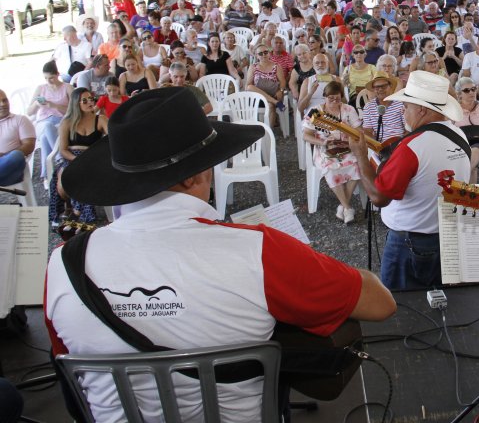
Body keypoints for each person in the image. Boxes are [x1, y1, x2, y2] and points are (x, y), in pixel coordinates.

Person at [44, 87, 396, 422]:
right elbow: (380, 303)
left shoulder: (63, 264)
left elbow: (66, 365)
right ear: (194, 174)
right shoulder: (259, 250)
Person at [351, 71, 471, 290]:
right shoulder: (459, 136)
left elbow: (378, 197)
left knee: (402, 307)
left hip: (409, 242)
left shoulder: (413, 146)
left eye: (406, 106)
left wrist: (360, 156)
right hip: (446, 236)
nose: (403, 112)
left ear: (422, 109)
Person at [302, 81, 362, 224]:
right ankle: (348, 207)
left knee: (357, 163)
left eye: (337, 98)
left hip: (346, 147)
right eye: (331, 98)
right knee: (330, 166)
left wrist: (349, 135)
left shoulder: (348, 109)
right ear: (325, 97)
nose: (334, 101)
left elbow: (359, 131)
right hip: (323, 147)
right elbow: (306, 135)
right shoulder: (315, 112)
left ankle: (343, 206)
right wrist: (323, 142)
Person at [47, 88, 108, 226]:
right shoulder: (67, 122)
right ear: (76, 104)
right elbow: (62, 150)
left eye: (91, 99)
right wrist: (77, 160)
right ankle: (73, 208)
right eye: (84, 101)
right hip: (71, 157)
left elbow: (113, 139)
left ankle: (77, 210)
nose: (89, 103)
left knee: (82, 174)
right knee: (65, 178)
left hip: (92, 157)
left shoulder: (100, 119)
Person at [29, 61, 72, 178]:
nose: (48, 81)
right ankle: (59, 157)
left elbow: (74, 110)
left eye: (51, 78)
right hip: (44, 121)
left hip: (61, 121)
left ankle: (46, 175)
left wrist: (54, 106)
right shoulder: (41, 88)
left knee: (44, 138)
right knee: (47, 127)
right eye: (46, 78)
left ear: (58, 74)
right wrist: (37, 104)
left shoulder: (67, 87)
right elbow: (29, 112)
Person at [0, 89, 35, 187]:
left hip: (10, 165)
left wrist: (4, 155)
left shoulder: (20, 120)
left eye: (5, 100)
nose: (3, 104)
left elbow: (29, 145)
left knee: (16, 155)